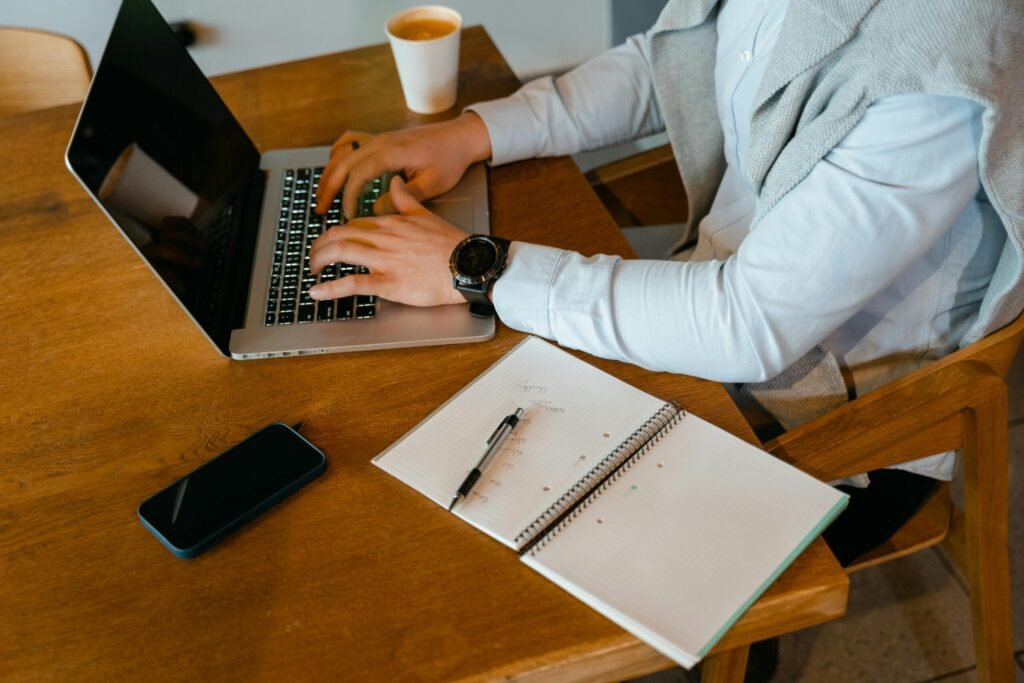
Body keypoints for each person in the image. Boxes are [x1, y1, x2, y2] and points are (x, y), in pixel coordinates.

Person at [309, 0, 1023, 570]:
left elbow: (748, 325)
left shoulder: (944, 56)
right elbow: (670, 60)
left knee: (440, 516)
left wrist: (478, 266)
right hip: (717, 314)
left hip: (833, 425)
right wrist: (472, 134)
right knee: (414, 413)